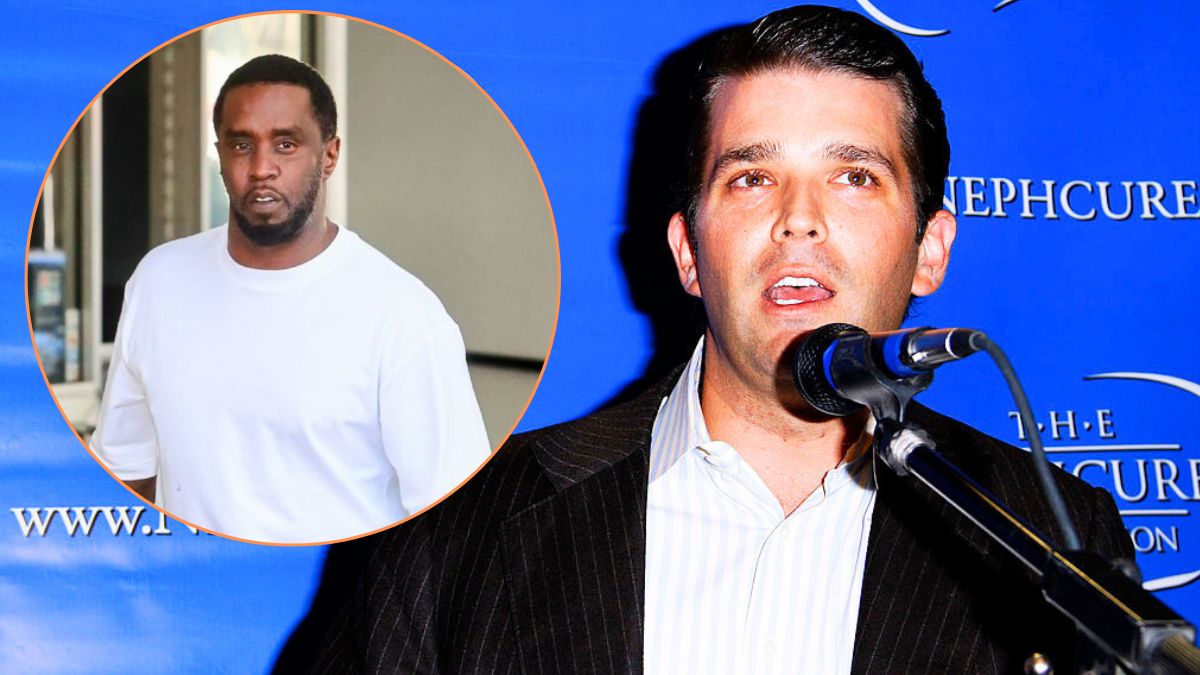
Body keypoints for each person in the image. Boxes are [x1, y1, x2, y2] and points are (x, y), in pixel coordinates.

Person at [312, 6, 1133, 672]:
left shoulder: (1054, 540)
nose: (799, 218)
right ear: (688, 254)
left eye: (854, 176)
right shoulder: (460, 529)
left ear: (930, 251)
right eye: (752, 177)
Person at [90, 54, 491, 544]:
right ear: (220, 153)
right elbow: (126, 472)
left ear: (329, 155)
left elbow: (460, 525)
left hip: (336, 616)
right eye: (242, 145)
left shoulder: (403, 316)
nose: (261, 168)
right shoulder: (159, 281)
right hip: (191, 606)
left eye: (286, 144)